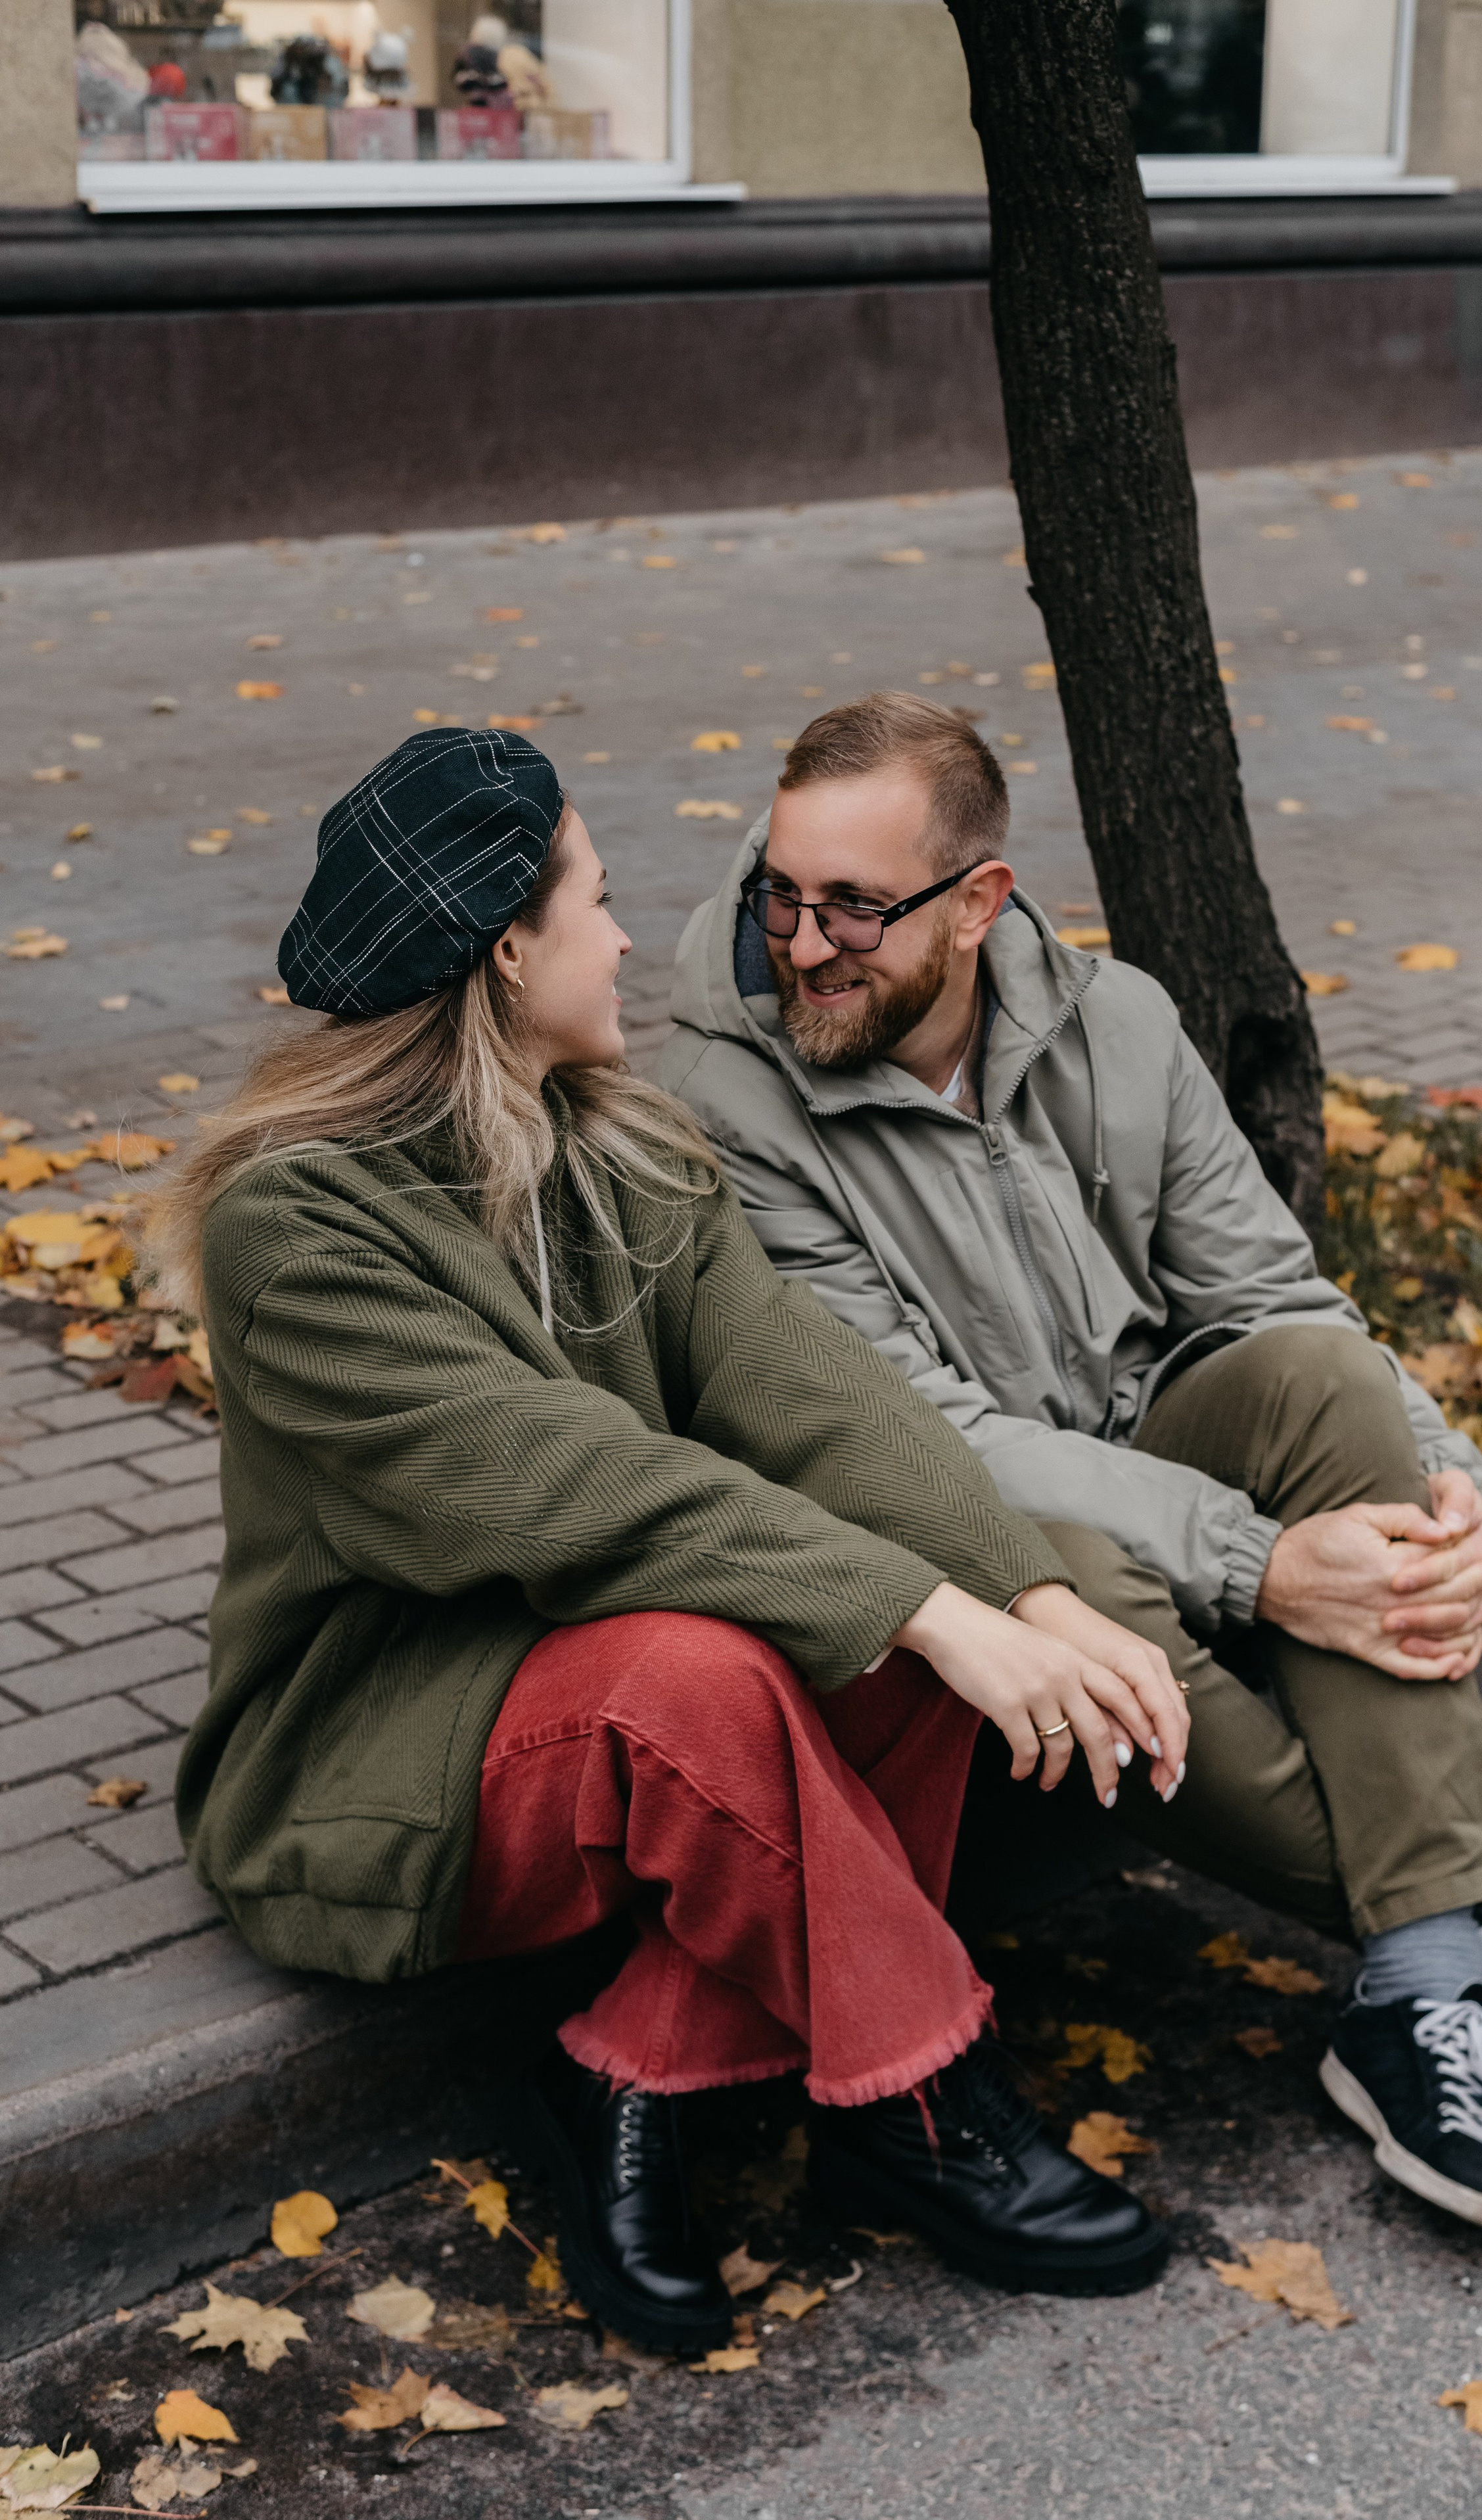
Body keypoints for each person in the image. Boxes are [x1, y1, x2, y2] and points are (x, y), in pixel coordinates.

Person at [151, 726, 1207, 2356]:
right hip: (378, 1744)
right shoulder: (292, 1227)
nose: (630, 939)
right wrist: (929, 1608)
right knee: (710, 1675)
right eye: (595, 900)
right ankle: (922, 2099)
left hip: (600, 1667)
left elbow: (819, 1400)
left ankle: (624, 2076)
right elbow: (576, 1485)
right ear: (509, 952)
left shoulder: (618, 1146)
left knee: (891, 1629)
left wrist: (1026, 1595)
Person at [660, 689, 1482, 2237]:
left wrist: (1446, 1487)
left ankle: (1420, 1980)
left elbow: (1272, 1297)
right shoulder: (726, 1099)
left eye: (854, 907)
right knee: (1080, 1583)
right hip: (943, 1525)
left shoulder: (1114, 1020)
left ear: (975, 904)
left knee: (1317, 1382)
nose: (802, 945)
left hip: (1142, 1439)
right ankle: (1447, 1945)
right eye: (779, 895)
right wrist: (1260, 1565)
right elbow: (914, 1434)